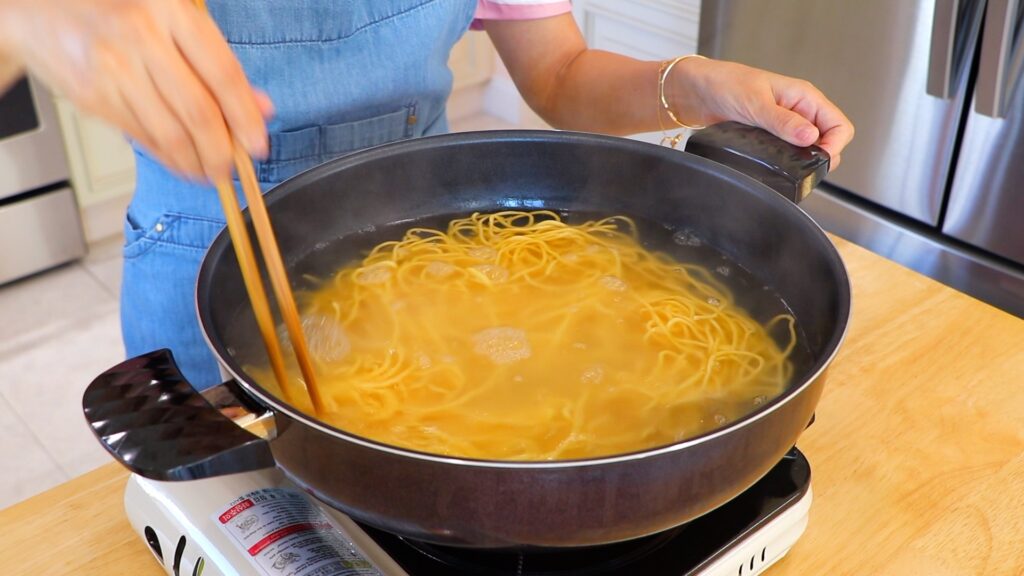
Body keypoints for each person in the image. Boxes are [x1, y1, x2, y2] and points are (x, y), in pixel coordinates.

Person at [0, 0, 853, 389]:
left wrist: (699, 84)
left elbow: (558, 74)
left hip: (435, 255)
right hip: (208, 256)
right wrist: (32, 15)